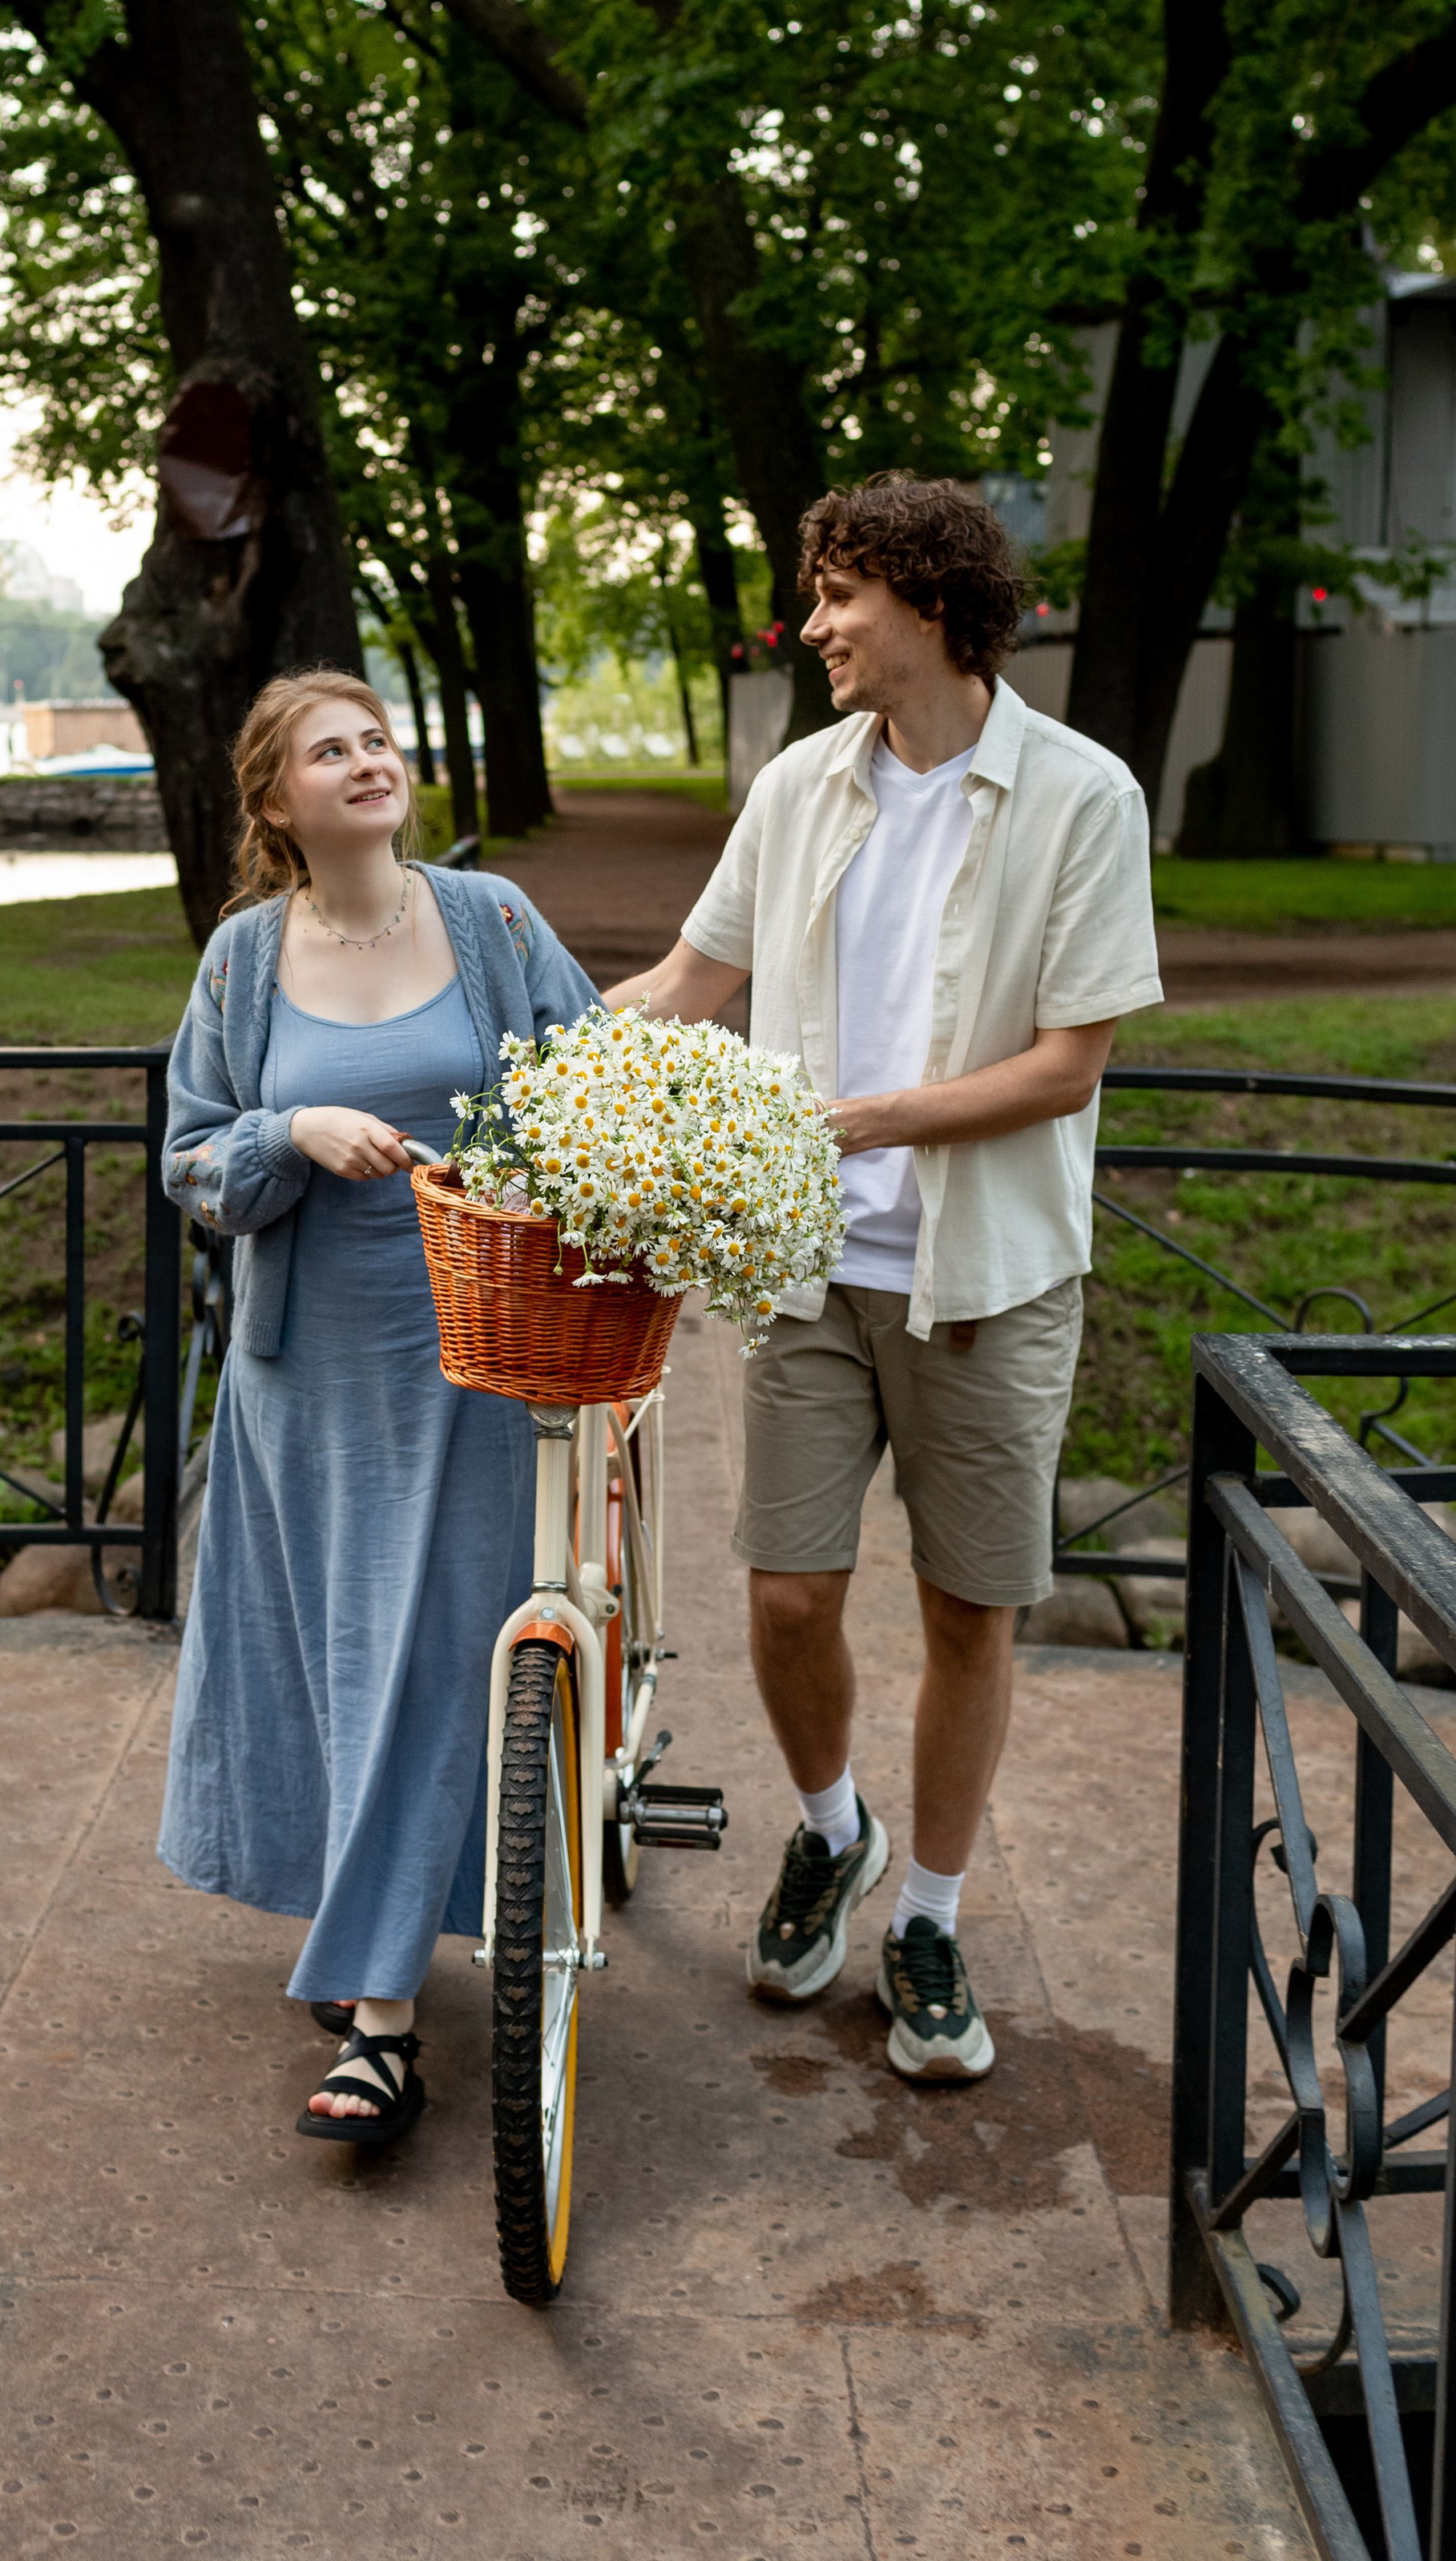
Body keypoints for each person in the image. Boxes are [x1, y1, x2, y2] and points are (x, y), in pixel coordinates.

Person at [607, 473, 1160, 2084]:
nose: (815, 626)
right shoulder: (797, 786)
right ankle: (831, 1831)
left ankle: (925, 1914)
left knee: (967, 1613)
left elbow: (1065, 1067)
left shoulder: (1078, 798)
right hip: (803, 1268)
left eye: (838, 594)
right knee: (783, 1594)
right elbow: (691, 978)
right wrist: (536, 1072)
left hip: (982, 1279)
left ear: (927, 601)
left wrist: (865, 1118)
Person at [158, 669, 594, 2144]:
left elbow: (603, 1081)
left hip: (470, 1350)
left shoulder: (492, 923)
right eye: (325, 752)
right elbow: (193, 1164)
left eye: (376, 741)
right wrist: (291, 1127)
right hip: (303, 1366)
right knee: (332, 1651)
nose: (364, 764)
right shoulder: (238, 961)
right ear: (277, 801)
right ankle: (363, 1922)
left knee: (424, 1650)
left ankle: (384, 2020)